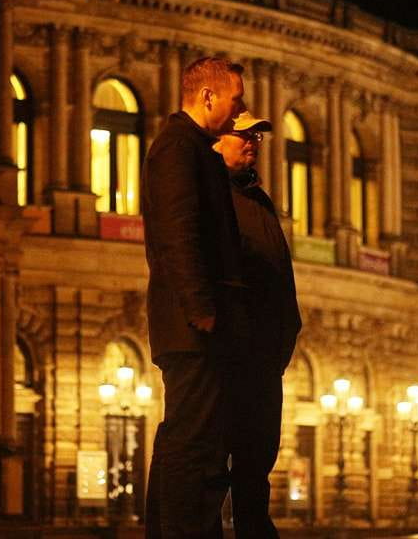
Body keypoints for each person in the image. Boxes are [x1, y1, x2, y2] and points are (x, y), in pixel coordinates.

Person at [141, 56, 246, 539]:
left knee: (184, 437)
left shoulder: (189, 147)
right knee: (194, 444)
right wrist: (202, 308)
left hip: (189, 323)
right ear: (209, 97)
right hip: (192, 327)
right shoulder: (178, 147)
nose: (239, 109)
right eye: (235, 99)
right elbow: (178, 232)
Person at [211, 111, 301, 538]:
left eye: (256, 137)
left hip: (265, 355)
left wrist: (285, 336)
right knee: (212, 462)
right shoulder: (209, 195)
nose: (252, 142)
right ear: (215, 140)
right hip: (232, 351)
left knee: (256, 464)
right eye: (241, 134)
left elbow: (279, 273)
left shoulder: (258, 199)